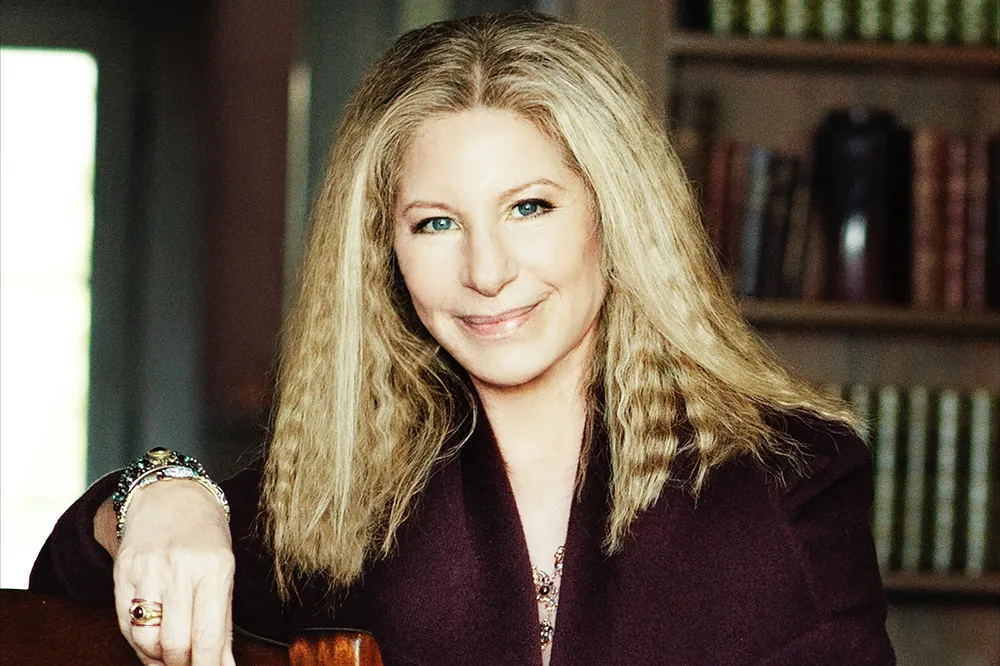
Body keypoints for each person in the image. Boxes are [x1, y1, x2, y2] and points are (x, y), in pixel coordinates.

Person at [29, 11, 895, 666]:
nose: (486, 271)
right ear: (386, 251)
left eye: (530, 207)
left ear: (614, 217)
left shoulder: (792, 479)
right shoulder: (337, 492)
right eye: (435, 222)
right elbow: (65, 587)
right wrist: (164, 494)